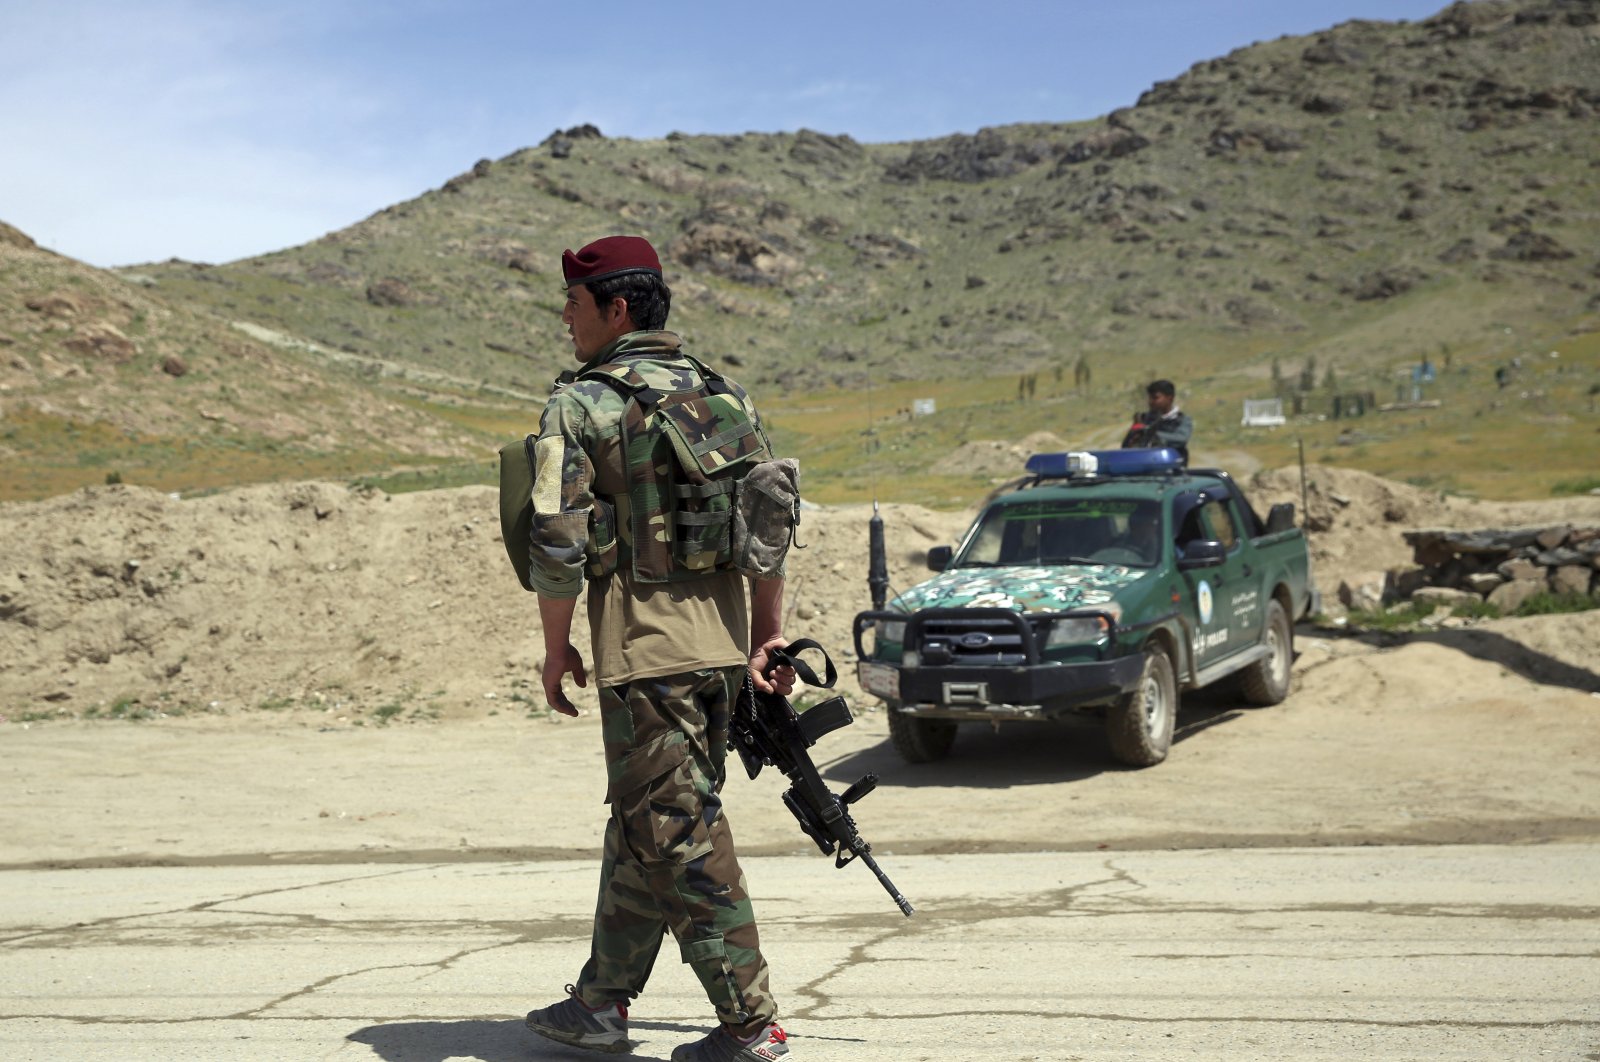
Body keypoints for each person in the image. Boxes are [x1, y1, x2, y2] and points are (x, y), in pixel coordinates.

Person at [519, 235, 797, 1062]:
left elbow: (556, 539)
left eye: (575, 304)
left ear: (619, 309)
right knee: (644, 824)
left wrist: (556, 648)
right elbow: (769, 526)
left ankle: (751, 1022)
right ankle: (602, 1003)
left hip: (644, 652)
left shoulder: (579, 405)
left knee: (678, 833)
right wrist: (763, 636)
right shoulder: (726, 396)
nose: (565, 319)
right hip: (717, 652)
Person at [1121, 379, 1194, 464]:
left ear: (1169, 398)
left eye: (1155, 398)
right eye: (1150, 398)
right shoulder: (1144, 419)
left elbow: (1181, 439)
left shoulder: (1181, 420)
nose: (1151, 402)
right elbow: (1125, 447)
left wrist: (1155, 435)